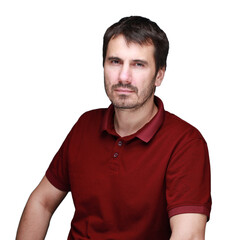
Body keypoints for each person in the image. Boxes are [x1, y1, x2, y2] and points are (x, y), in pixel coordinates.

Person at [16, 16, 211, 240]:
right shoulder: (85, 126)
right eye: (115, 62)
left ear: (159, 74)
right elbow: (42, 202)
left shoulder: (186, 143)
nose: (123, 77)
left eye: (138, 64)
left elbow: (189, 236)